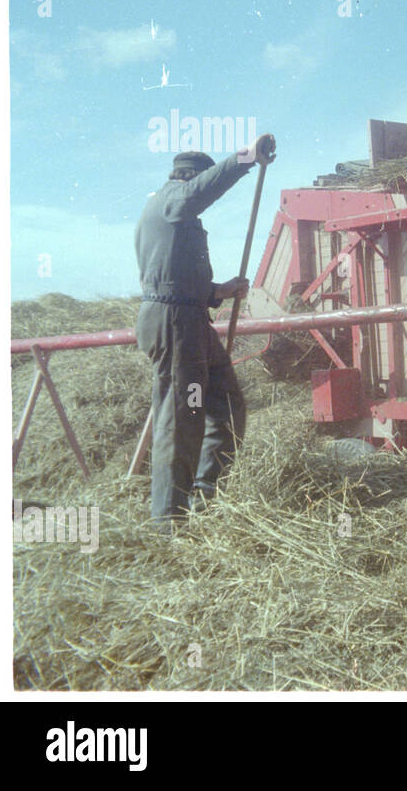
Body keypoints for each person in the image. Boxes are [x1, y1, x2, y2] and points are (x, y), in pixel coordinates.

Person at [134, 134, 276, 529]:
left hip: (192, 321)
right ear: (189, 178)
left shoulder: (173, 215)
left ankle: (205, 498)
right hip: (175, 327)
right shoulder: (172, 200)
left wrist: (222, 291)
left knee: (226, 406)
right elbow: (202, 190)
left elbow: (177, 279)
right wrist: (246, 158)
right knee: (183, 418)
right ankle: (168, 523)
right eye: (202, 182)